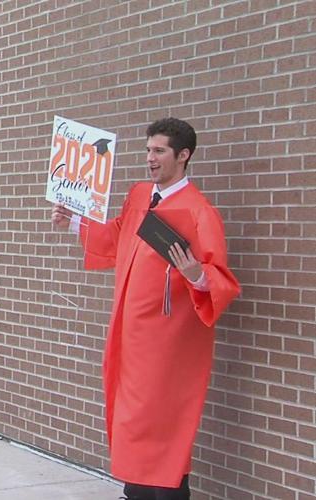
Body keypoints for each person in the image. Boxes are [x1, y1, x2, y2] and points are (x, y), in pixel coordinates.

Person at [51, 118, 240, 500]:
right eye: (148, 150)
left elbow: (220, 281)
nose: (150, 159)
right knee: (134, 420)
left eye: (159, 151)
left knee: (165, 425)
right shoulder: (140, 195)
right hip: (130, 332)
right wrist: (74, 222)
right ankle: (134, 492)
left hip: (169, 343)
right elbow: (116, 236)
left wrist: (196, 273)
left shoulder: (200, 212)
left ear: (183, 155)